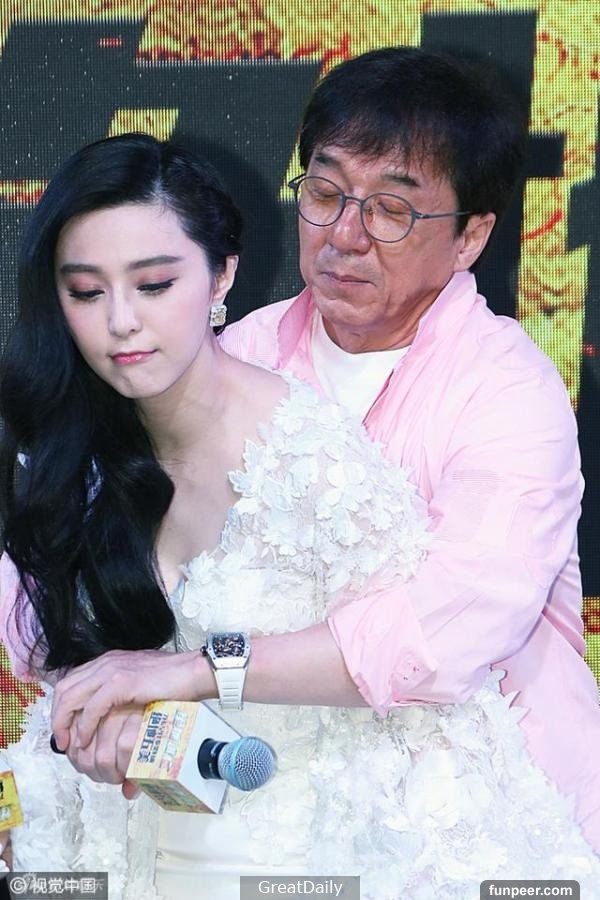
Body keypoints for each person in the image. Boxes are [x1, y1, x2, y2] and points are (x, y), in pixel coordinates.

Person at [0, 113, 598, 900]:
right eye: (85, 291)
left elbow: (430, 656)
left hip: (321, 847)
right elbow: (41, 635)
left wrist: (188, 674)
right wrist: (98, 709)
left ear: (220, 276)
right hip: (136, 826)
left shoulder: (323, 449)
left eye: (153, 285)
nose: (120, 321)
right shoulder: (78, 436)